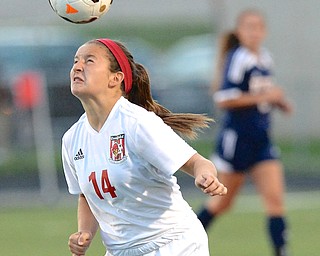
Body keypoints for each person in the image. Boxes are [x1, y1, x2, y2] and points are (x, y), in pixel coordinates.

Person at [62, 38, 228, 256]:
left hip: (173, 245)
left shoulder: (137, 123)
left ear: (116, 78)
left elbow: (198, 163)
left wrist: (206, 177)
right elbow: (86, 195)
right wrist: (84, 232)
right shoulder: (72, 138)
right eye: (76, 61)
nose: (78, 66)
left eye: (89, 60)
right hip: (120, 251)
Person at [197, 9, 292, 256]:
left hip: (261, 140)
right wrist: (266, 96)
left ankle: (281, 251)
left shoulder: (264, 58)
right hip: (237, 140)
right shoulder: (238, 57)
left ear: (264, 31)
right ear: (240, 32)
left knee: (275, 202)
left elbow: (260, 96)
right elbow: (224, 98)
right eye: (248, 27)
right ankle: (185, 241)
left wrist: (277, 101)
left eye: (258, 27)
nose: (254, 32)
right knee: (221, 202)